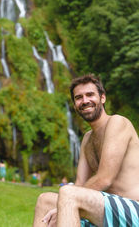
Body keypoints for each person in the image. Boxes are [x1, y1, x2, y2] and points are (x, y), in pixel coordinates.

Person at [33, 74, 139, 227]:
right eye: (79, 97)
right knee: (45, 200)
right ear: (75, 104)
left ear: (102, 98)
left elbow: (104, 178)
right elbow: (80, 183)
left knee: (68, 194)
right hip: (105, 213)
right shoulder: (87, 139)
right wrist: (60, 206)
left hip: (134, 210)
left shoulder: (118, 122)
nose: (85, 101)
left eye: (90, 95)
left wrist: (61, 206)